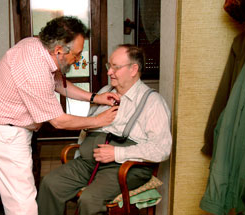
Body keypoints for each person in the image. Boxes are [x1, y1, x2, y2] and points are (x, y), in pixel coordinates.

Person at [0, 16, 120, 215]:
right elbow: (59, 121)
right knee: (22, 204)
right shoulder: (34, 69)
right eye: (77, 54)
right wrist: (98, 120)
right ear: (59, 50)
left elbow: (56, 83)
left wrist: (95, 97)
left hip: (11, 127)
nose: (79, 59)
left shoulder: (35, 45)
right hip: (7, 134)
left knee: (21, 198)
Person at [37, 44, 172, 215]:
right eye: (109, 66)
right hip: (89, 161)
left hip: (123, 167)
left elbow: (162, 149)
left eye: (115, 67)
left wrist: (117, 153)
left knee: (89, 200)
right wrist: (82, 152)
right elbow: (86, 129)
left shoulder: (153, 103)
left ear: (133, 69)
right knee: (50, 183)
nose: (109, 72)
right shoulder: (104, 92)